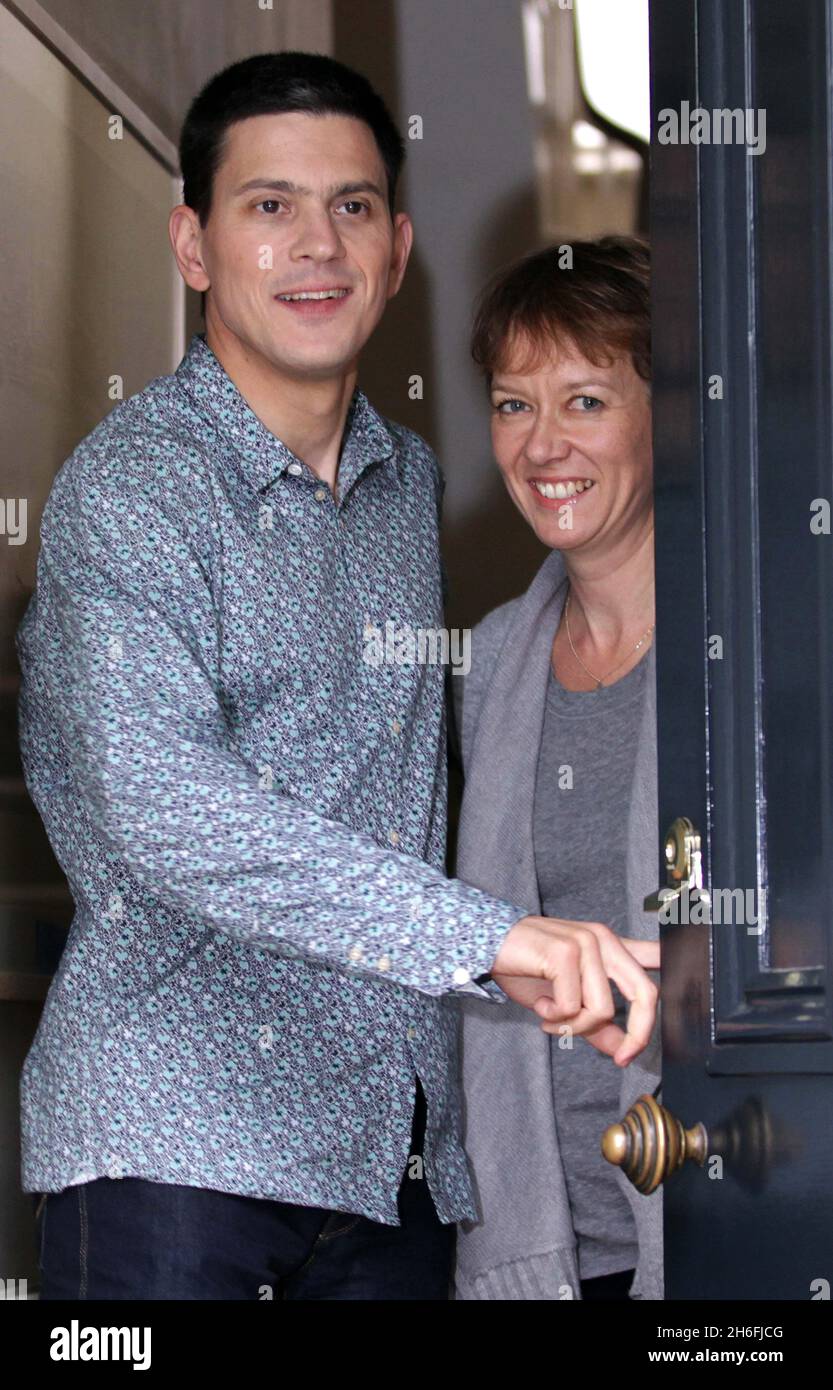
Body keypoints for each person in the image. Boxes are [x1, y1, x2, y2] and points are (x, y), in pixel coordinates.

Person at [16, 52, 658, 1300]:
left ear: (398, 245)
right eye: (270, 207)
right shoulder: (133, 490)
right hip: (178, 1160)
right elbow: (162, 811)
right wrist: (492, 938)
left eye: (351, 206)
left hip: (392, 1176)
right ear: (194, 246)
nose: (318, 244)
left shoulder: (403, 479)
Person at [452, 237, 663, 1301]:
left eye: (584, 400)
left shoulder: (762, 650)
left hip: (723, 1210)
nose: (542, 447)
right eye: (510, 404)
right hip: (542, 1242)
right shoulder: (490, 663)